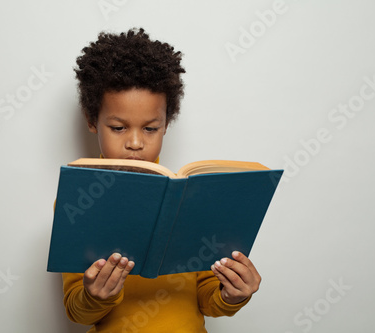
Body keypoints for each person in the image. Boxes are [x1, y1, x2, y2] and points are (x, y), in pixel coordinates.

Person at [62, 28, 261, 332]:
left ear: (167, 123)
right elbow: (77, 311)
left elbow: (207, 297)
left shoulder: (190, 197)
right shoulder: (79, 198)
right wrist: (94, 296)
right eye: (118, 127)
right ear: (92, 121)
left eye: (151, 129)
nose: (135, 143)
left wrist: (233, 293)